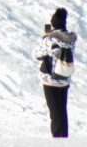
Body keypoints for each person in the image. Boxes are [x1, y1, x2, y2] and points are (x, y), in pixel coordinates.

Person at [32, 8, 77, 138]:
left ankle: (58, 140)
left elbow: (37, 54)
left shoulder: (50, 39)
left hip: (50, 80)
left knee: (55, 113)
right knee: (62, 111)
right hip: (64, 78)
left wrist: (45, 37)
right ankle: (63, 137)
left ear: (54, 23)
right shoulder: (70, 38)